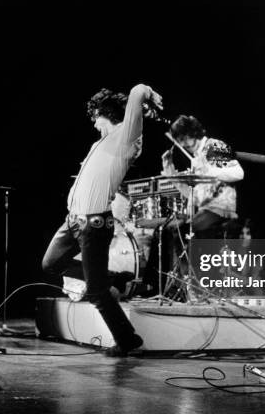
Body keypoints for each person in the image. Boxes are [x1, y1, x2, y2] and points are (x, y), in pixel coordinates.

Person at [42, 84, 163, 357]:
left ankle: (127, 340)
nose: (95, 124)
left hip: (94, 225)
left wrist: (146, 92)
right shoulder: (101, 143)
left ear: (102, 112)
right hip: (72, 221)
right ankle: (115, 278)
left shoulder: (126, 137)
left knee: (96, 292)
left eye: (95, 118)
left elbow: (135, 92)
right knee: (50, 263)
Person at [156, 115, 244, 298]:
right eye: (179, 141)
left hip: (221, 208)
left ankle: (194, 286)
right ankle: (179, 285)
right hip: (205, 209)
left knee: (184, 229)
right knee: (169, 230)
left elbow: (238, 172)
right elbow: (192, 195)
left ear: (191, 134)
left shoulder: (214, 145)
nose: (183, 144)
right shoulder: (196, 157)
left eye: (183, 139)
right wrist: (170, 172)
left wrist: (210, 171)